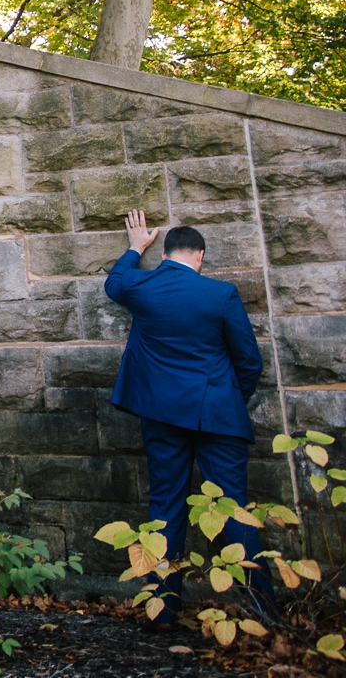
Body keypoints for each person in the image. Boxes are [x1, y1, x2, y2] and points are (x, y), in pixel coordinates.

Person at [107, 210, 273, 625]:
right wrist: (230, 400)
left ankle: (164, 611)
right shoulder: (220, 294)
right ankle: (263, 613)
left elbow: (114, 282)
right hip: (217, 414)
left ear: (163, 254)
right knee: (233, 509)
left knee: (165, 507)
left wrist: (133, 247)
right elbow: (249, 361)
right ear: (199, 255)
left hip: (161, 417)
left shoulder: (141, 285)